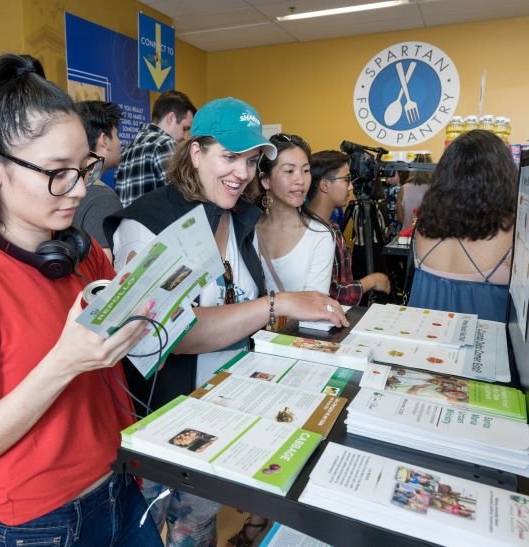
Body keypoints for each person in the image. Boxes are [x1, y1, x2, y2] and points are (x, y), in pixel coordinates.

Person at [0, 54, 161, 546]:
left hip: (120, 486)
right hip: (42, 525)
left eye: (84, 167)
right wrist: (63, 363)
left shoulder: (82, 252)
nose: (78, 189)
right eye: (57, 172)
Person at [106, 97, 348, 547]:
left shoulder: (237, 220)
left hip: (231, 412)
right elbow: (168, 335)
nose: (241, 172)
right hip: (171, 424)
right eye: (229, 156)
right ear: (195, 152)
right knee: (181, 533)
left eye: (252, 160)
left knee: (202, 527)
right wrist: (276, 305)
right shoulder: (147, 224)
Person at [410, 130, 516, 321]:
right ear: (502, 176)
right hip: (486, 345)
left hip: (422, 338)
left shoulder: (424, 225)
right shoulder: (512, 231)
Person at [254, 133, 333, 296]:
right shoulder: (247, 231)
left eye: (305, 170)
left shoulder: (320, 235)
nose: (301, 180)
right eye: (289, 171)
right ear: (265, 180)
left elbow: (314, 302)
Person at [308, 150, 390, 305]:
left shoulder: (332, 227)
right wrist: (370, 281)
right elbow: (330, 295)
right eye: (346, 180)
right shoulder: (316, 233)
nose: (351, 187)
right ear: (324, 185)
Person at [115, 90, 196, 207]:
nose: (185, 137)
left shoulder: (126, 151)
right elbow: (182, 198)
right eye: (185, 128)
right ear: (171, 118)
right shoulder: (165, 144)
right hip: (157, 224)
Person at [71, 100, 123, 258]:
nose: (120, 143)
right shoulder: (103, 199)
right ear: (104, 140)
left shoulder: (66, 189)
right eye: (117, 135)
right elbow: (102, 278)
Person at [396, 153, 433, 229]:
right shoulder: (434, 189)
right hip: (428, 236)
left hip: (407, 236)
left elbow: (400, 219)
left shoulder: (403, 189)